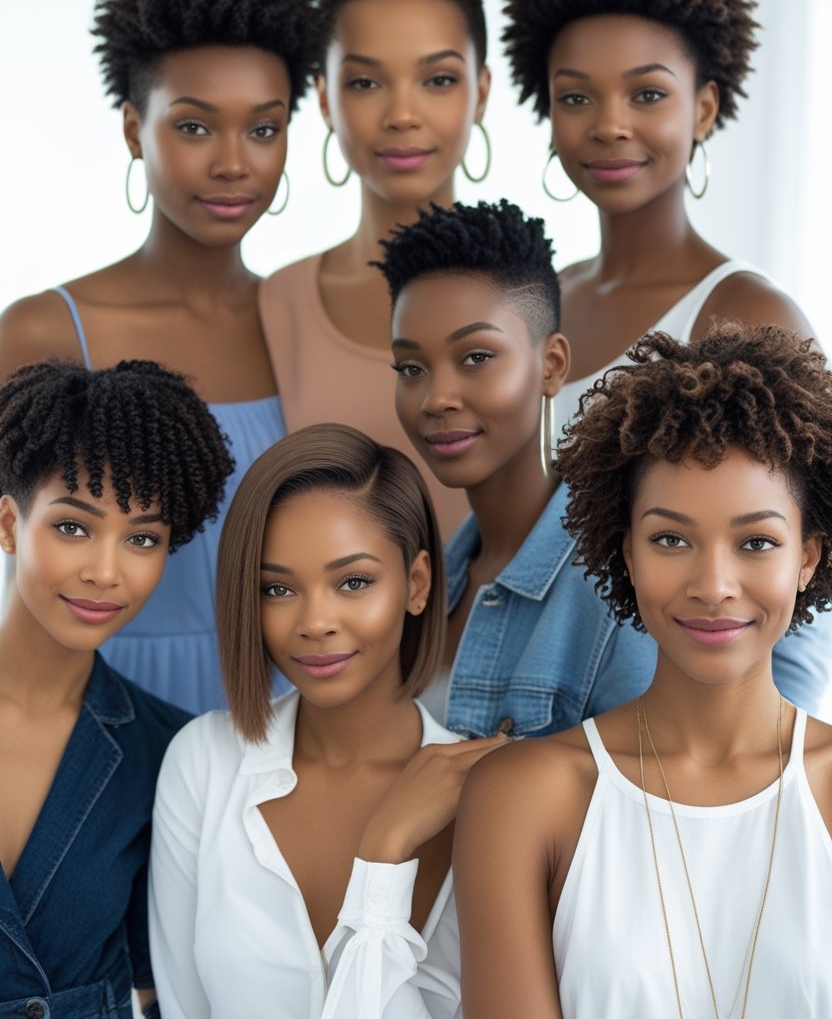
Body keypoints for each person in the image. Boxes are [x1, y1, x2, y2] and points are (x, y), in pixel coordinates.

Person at [454, 323, 832, 1017]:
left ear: (806, 557)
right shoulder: (522, 798)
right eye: (670, 539)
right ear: (624, 552)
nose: (713, 584)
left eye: (756, 542)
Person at [0, 0, 319, 713]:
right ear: (133, 128)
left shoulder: (307, 326)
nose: (234, 162)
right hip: (84, 725)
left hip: (277, 726)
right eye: (194, 125)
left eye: (264, 128)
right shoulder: (47, 332)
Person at [375, 201, 832, 736]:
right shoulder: (437, 576)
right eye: (411, 367)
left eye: (477, 357)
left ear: (553, 365)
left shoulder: (626, 582)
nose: (437, 397)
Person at [149, 423, 504, 1018]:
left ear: (417, 584)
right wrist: (384, 844)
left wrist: (384, 855)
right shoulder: (202, 762)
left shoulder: (491, 793)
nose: (315, 621)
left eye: (353, 582)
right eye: (277, 589)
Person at [502, 0, 814, 441]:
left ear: (704, 109)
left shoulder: (752, 316)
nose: (610, 126)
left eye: (647, 94)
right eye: (576, 96)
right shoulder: (536, 301)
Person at [0, 358, 232, 1017]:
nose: (106, 571)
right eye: (73, 526)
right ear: (10, 524)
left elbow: (163, 992)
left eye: (141, 537)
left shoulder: (169, 754)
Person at [259, 0, 492, 539]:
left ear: (483, 91)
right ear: (325, 99)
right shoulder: (278, 305)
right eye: (366, 83)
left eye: (438, 80)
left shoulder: (540, 299)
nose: (402, 115)